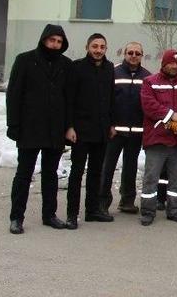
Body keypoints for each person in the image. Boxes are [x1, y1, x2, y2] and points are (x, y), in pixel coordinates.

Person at [6, 24, 72, 234]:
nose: (55, 45)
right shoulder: (25, 60)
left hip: (55, 130)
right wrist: (13, 124)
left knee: (51, 175)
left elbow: (69, 99)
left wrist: (68, 127)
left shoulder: (66, 64)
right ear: (44, 40)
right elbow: (14, 94)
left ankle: (49, 215)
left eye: (59, 42)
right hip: (30, 128)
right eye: (52, 40)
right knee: (24, 174)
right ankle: (16, 217)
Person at [139, 49, 177, 226]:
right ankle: (148, 212)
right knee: (151, 177)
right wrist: (171, 116)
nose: (174, 66)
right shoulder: (150, 82)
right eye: (171, 63)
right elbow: (149, 105)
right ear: (163, 64)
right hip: (157, 139)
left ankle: (174, 210)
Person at [65, 33, 115, 229]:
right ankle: (72, 214)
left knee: (96, 173)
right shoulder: (77, 67)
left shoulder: (109, 68)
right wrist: (69, 126)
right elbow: (69, 99)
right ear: (87, 47)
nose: (98, 50)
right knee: (77, 173)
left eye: (102, 47)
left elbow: (111, 98)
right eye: (95, 46)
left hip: (101, 131)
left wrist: (112, 124)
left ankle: (92, 211)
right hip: (81, 131)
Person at [99, 42, 150, 216]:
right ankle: (102, 203)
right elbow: (105, 101)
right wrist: (109, 125)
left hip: (136, 131)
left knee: (131, 167)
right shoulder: (113, 72)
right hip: (115, 131)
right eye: (130, 52)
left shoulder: (147, 77)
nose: (133, 56)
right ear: (124, 53)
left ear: (142, 55)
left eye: (137, 53)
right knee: (107, 167)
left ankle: (127, 201)